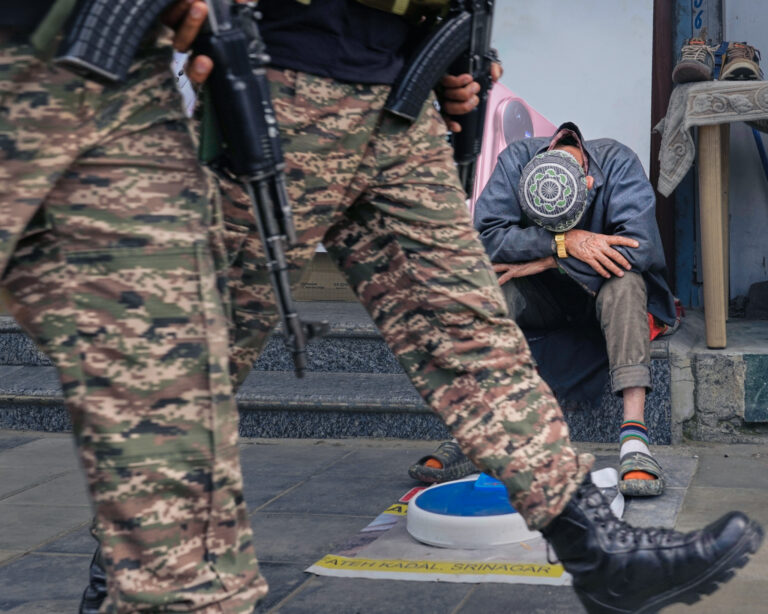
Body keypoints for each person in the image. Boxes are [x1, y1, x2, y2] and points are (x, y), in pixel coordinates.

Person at [2, 2, 763, 614]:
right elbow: (496, 235)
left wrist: (446, 46)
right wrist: (561, 247)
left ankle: (597, 550)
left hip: (403, 90)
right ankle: (127, 571)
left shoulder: (615, 160)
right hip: (285, 79)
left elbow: (633, 252)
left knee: (471, 330)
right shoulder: (524, 164)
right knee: (184, 375)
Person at [411, 122, 674, 498]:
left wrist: (549, 259)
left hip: (600, 293)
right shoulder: (515, 161)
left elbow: (640, 248)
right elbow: (484, 241)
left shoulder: (617, 162)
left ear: (587, 184)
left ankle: (635, 439)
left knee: (627, 282)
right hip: (544, 300)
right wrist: (563, 242)